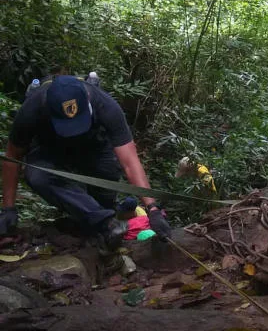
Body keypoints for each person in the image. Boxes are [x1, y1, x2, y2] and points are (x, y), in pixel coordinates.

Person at [0, 75, 170, 249]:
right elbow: (12, 157)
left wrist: (153, 208)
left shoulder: (105, 106)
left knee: (106, 184)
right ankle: (104, 221)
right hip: (50, 149)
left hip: (94, 147)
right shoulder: (33, 108)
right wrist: (8, 209)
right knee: (37, 175)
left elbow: (129, 160)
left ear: (87, 100)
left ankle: (102, 219)